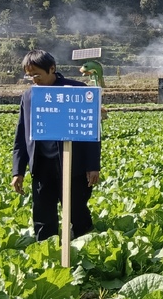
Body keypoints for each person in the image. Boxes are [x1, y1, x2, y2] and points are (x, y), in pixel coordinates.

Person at [11, 50, 101, 241]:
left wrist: (93, 166)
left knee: (77, 210)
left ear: (52, 69)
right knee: (42, 213)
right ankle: (47, 250)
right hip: (42, 165)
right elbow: (21, 135)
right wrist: (17, 171)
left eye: (37, 74)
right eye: (30, 76)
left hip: (73, 165)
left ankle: (83, 247)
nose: (34, 80)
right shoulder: (28, 96)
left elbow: (91, 131)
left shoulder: (76, 90)